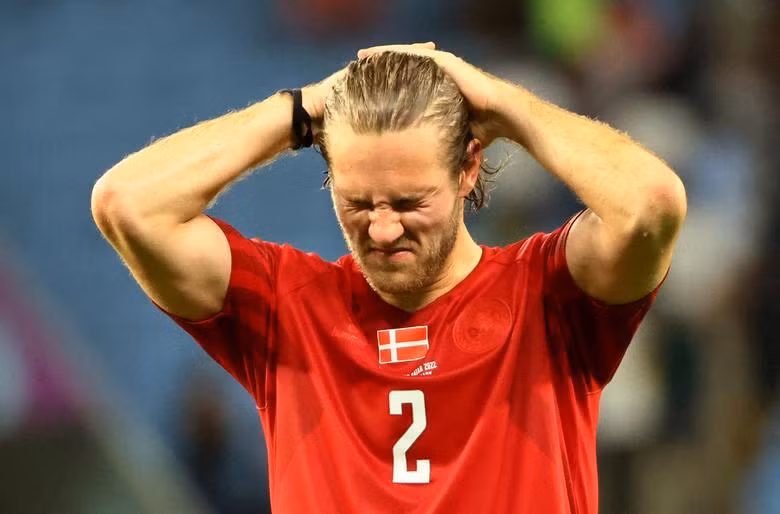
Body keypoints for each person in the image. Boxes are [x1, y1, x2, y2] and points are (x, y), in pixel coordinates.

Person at [91, 42, 686, 513]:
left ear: (468, 167)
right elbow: (127, 203)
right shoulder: (286, 307)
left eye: (407, 202)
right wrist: (299, 111)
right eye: (357, 201)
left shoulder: (549, 296)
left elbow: (652, 203)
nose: (380, 230)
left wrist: (503, 105)